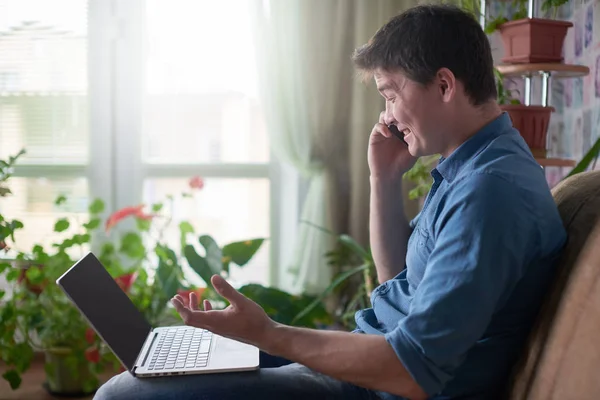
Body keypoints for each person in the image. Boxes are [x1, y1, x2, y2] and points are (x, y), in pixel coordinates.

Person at [94, 4, 566, 400]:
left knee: (123, 394)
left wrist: (270, 334)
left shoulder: (489, 192)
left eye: (390, 94)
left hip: (380, 385)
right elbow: (398, 281)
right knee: (172, 353)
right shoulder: (474, 164)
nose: (387, 117)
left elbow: (414, 368)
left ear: (444, 85)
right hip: (371, 355)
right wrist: (382, 180)